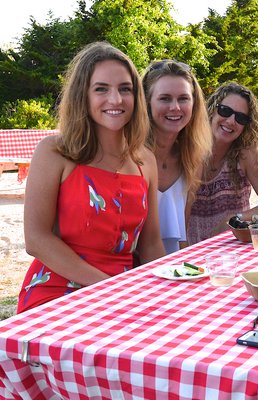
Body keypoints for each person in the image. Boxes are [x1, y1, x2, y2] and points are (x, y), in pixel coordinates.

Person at [17, 42, 165, 313]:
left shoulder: (146, 160)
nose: (116, 100)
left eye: (125, 89)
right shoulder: (54, 152)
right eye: (101, 89)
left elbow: (151, 243)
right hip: (58, 292)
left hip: (124, 294)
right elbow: (36, 239)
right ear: (82, 96)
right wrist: (109, 288)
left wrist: (166, 291)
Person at [187, 82, 258, 243]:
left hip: (230, 248)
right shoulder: (187, 149)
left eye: (241, 118)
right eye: (225, 111)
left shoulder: (246, 153)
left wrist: (233, 219)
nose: (231, 121)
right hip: (188, 248)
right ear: (212, 110)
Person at [142, 59, 212, 254]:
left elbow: (182, 232)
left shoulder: (193, 158)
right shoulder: (131, 155)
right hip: (129, 271)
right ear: (147, 102)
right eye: (165, 98)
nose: (175, 107)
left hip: (167, 268)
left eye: (183, 98)